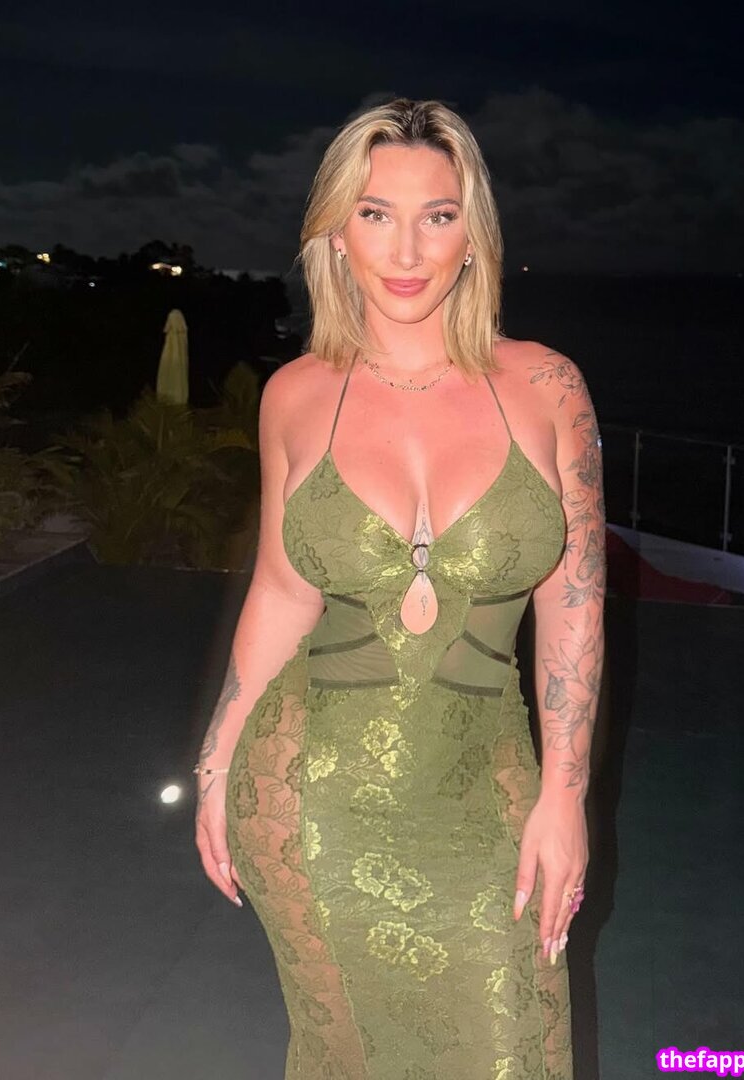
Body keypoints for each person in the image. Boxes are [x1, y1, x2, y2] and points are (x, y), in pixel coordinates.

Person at [194, 97, 606, 1078]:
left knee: (514, 1048)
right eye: (375, 214)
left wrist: (565, 794)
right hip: (306, 800)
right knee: (344, 1055)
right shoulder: (295, 394)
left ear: (474, 235)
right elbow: (282, 592)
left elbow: (575, 601)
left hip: (487, 791)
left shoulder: (548, 386)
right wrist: (215, 764)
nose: (408, 249)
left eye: (438, 215)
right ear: (335, 234)